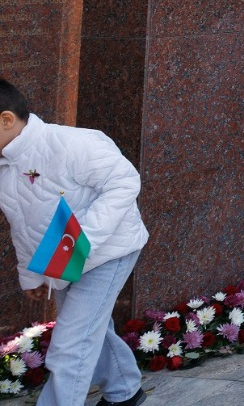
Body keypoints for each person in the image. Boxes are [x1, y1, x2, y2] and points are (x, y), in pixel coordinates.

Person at [0, 78, 149, 406]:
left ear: (6, 119)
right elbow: (22, 225)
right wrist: (32, 274)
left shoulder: (71, 143)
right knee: (89, 329)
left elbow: (124, 182)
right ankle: (125, 393)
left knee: (71, 345)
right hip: (65, 260)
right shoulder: (4, 168)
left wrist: (80, 242)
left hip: (108, 252)